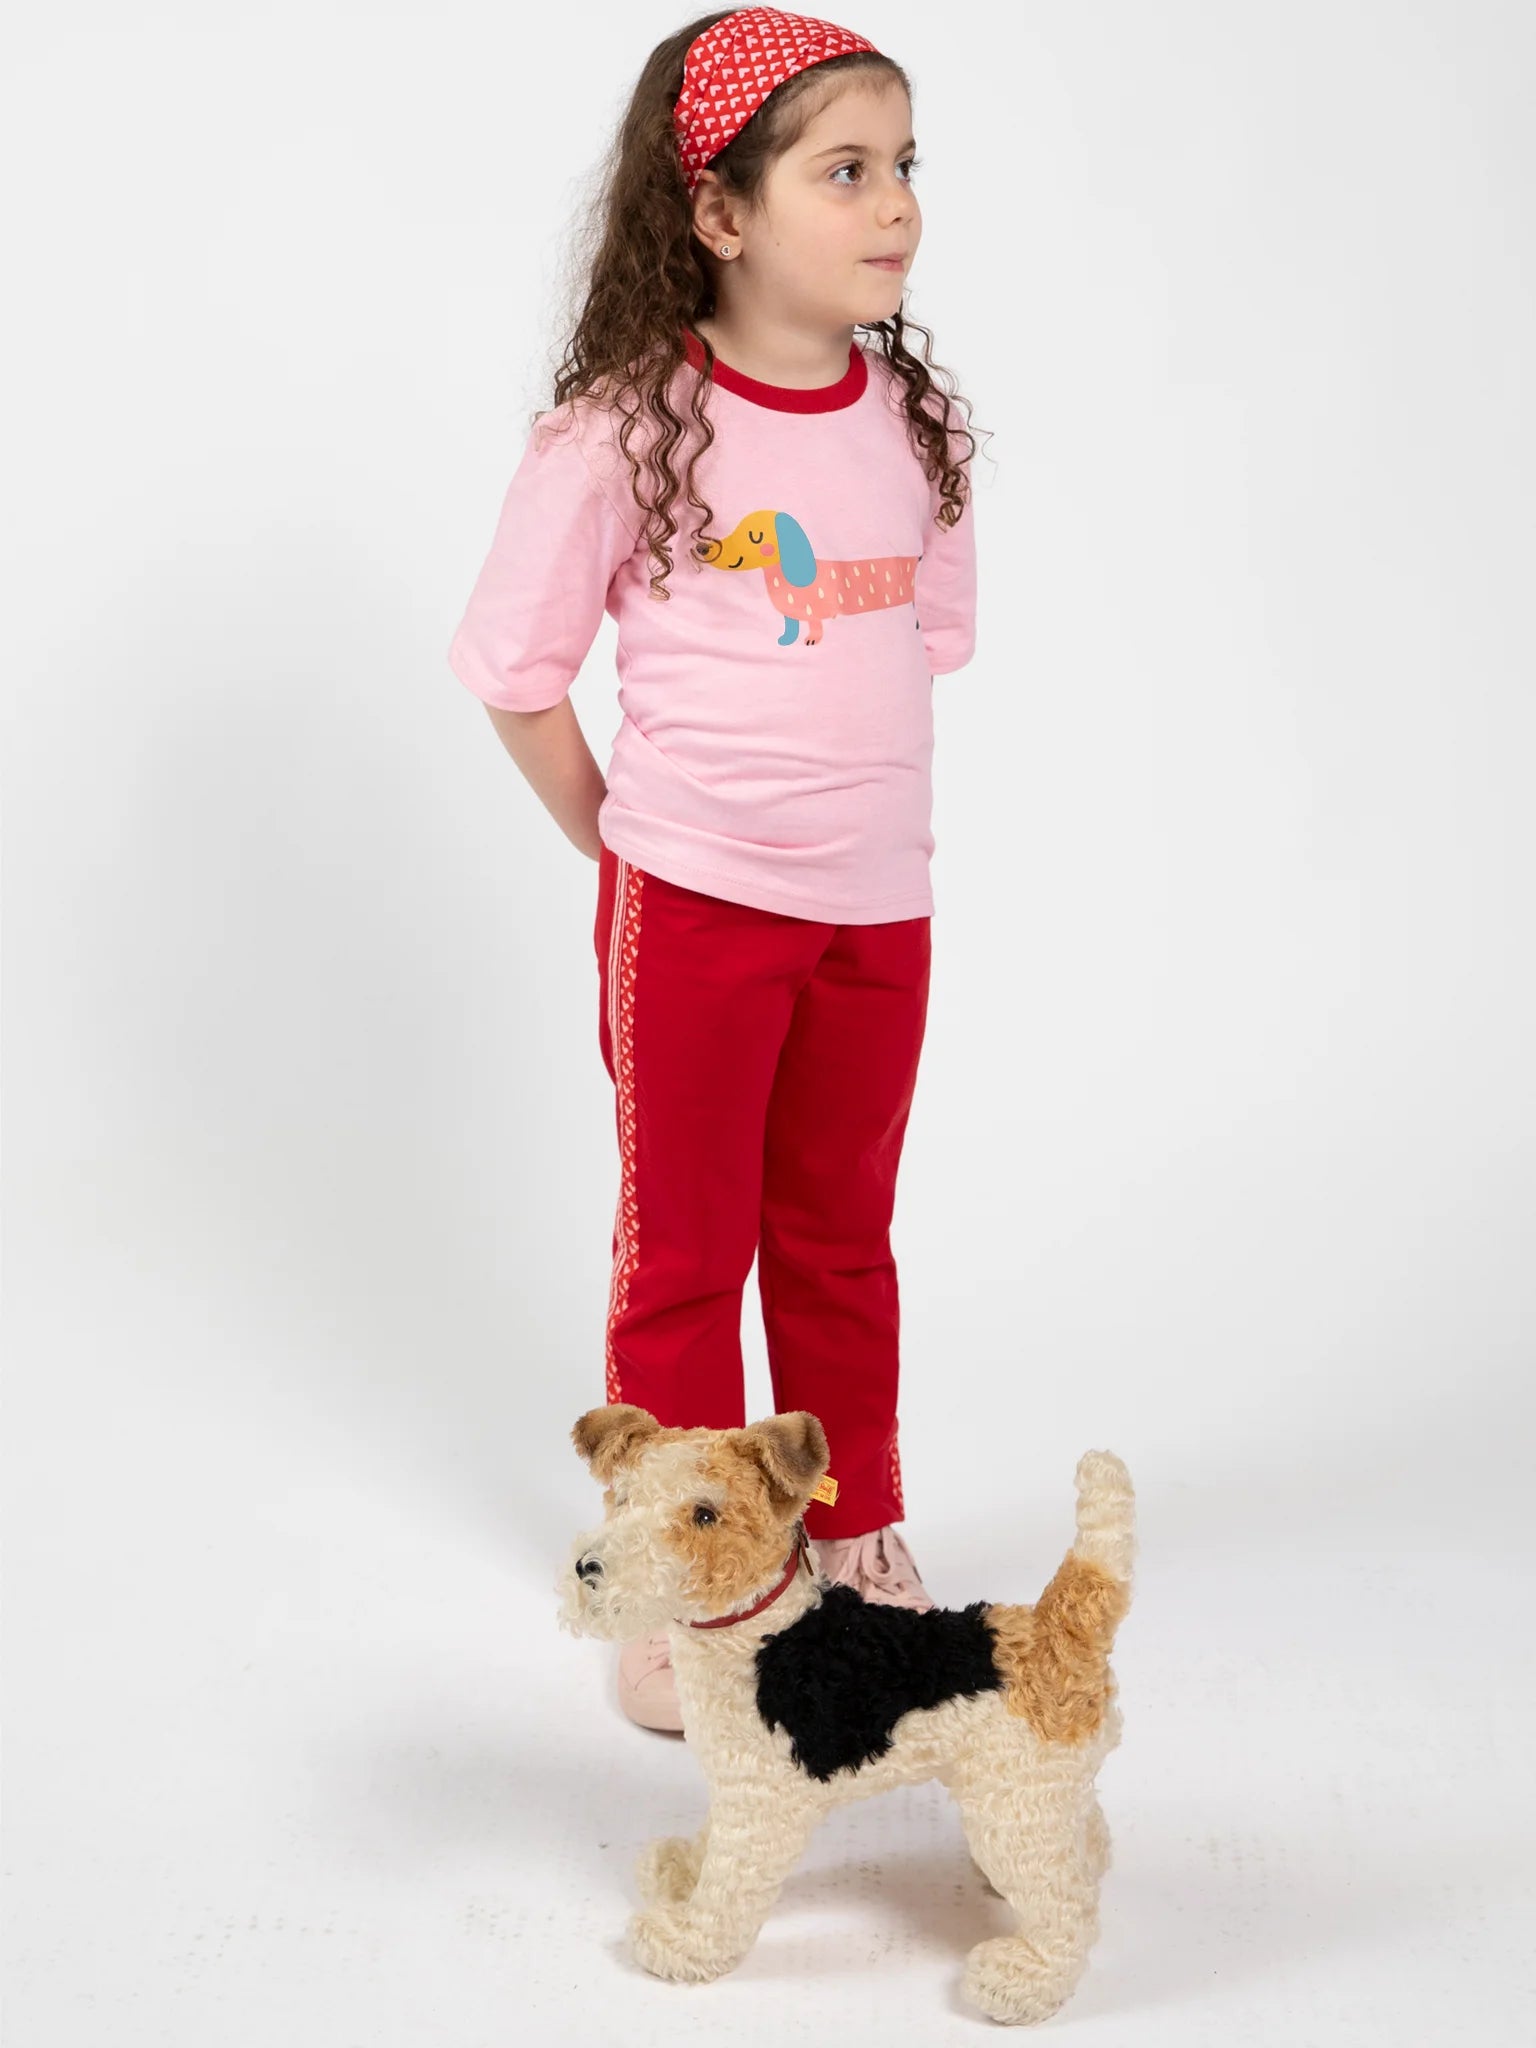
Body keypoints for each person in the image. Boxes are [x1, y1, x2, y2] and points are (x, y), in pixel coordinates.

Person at [446, 7, 980, 1734]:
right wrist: (624, 846)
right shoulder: (623, 429)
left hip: (877, 910)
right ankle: (675, 1577)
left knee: (841, 1235)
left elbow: (913, 653)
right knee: (688, 1245)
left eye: (905, 167)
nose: (894, 203)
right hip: (688, 909)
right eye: (847, 170)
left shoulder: (909, 421)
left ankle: (852, 1534)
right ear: (723, 212)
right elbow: (515, 669)